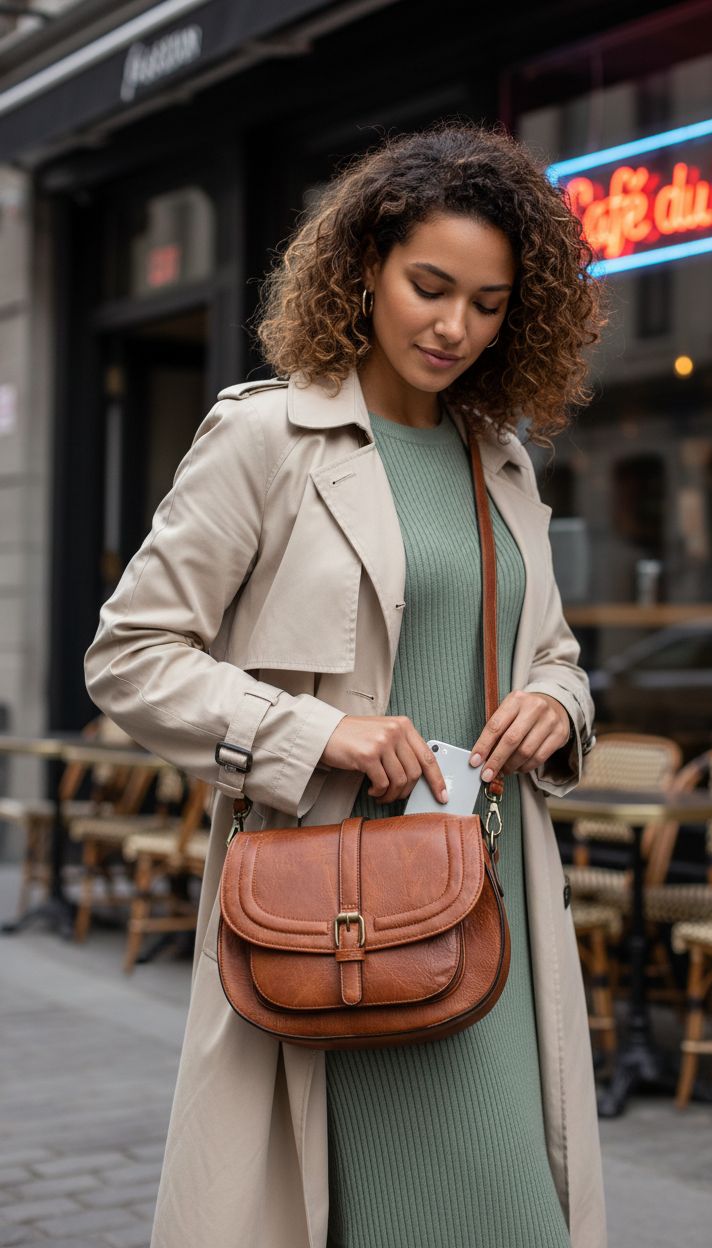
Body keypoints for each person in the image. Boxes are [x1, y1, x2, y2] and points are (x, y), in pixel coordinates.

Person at [84, 122, 607, 1248]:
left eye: (488, 302)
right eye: (430, 286)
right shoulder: (267, 436)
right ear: (364, 264)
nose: (454, 326)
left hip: (494, 906)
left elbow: (554, 652)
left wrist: (557, 705)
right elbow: (129, 656)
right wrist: (317, 733)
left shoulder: (499, 461)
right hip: (339, 924)